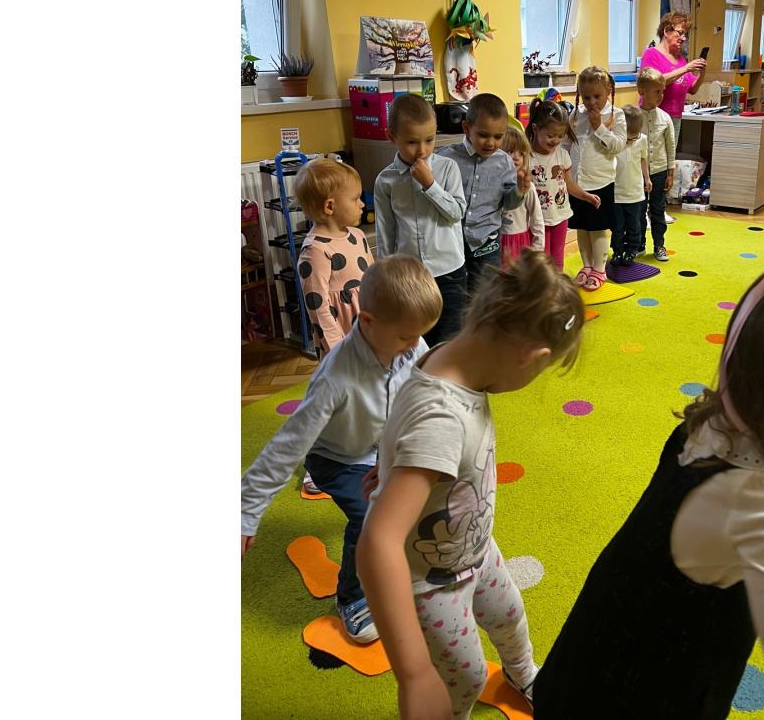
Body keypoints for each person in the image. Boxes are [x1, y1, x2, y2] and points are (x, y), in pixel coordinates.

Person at [533, 263, 764, 719]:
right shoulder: (763, 499)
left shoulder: (711, 427)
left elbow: (726, 529)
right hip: (643, 701)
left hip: (584, 667)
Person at [356, 250, 585, 718]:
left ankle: (524, 674)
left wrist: (399, 462)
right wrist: (413, 674)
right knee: (465, 678)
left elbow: (409, 413)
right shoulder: (442, 418)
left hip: (473, 545)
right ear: (533, 357)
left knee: (509, 615)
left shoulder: (445, 354)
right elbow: (377, 543)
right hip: (429, 583)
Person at [240, 255, 441, 644]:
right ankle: (351, 596)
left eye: (420, 335)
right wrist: (245, 512)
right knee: (370, 515)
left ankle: (396, 558)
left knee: (425, 493)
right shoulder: (335, 377)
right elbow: (286, 446)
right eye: (407, 337)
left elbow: (430, 387)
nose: (416, 345)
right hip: (337, 458)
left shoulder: (408, 344)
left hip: (382, 445)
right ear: (368, 322)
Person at [290, 156, 371, 494]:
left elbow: (373, 279)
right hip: (341, 343)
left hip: (368, 334)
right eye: (355, 199)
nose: (362, 204)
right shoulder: (315, 251)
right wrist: (338, 350)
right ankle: (318, 465)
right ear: (329, 206)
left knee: (365, 397)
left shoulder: (357, 235)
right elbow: (317, 306)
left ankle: (362, 447)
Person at [374, 93, 467, 346]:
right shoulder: (385, 181)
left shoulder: (447, 168)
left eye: (429, 140)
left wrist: (430, 185)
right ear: (391, 137)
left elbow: (457, 212)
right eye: (412, 142)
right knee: (415, 343)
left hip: (449, 272)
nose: (422, 150)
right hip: (410, 278)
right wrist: (385, 278)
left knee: (449, 342)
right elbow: (385, 233)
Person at [438, 93, 532, 293]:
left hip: (487, 241)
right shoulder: (446, 158)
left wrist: (519, 190)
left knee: (487, 294)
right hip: (452, 241)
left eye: (498, 137)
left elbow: (508, 203)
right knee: (455, 293)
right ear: (466, 129)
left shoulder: (504, 162)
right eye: (483, 135)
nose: (490, 143)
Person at [568, 66, 626, 291]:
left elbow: (617, 146)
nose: (591, 102)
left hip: (600, 182)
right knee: (581, 227)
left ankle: (600, 268)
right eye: (586, 97)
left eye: (597, 96)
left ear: (608, 91)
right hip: (576, 183)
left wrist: (598, 127)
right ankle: (587, 265)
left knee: (597, 228)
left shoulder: (616, 115)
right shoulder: (575, 115)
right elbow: (566, 143)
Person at [526, 98, 594, 272]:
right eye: (550, 136)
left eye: (560, 136)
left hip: (560, 216)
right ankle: (543, 286)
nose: (555, 140)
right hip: (537, 219)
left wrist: (586, 196)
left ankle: (557, 286)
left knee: (557, 257)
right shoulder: (526, 157)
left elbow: (569, 184)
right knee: (542, 258)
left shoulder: (562, 155)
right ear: (535, 128)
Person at [638, 10, 707, 165]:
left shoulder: (680, 59)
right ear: (666, 31)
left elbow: (693, 89)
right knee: (651, 161)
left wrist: (702, 72)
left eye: (685, 35)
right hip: (653, 116)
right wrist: (685, 69)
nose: (683, 38)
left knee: (668, 160)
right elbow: (655, 82)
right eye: (680, 33)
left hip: (675, 118)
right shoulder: (651, 54)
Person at [637, 66, 676, 262]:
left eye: (663, 91)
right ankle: (639, 244)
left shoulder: (665, 118)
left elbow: (670, 146)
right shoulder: (632, 117)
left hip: (659, 172)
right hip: (637, 173)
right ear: (642, 92)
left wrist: (670, 173)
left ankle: (659, 244)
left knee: (658, 210)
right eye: (657, 91)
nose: (661, 95)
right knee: (638, 210)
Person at [499, 125, 545, 268]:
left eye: (521, 153)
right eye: (511, 151)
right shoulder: (494, 181)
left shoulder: (527, 186)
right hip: (496, 240)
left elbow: (537, 218)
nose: (516, 158)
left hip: (519, 242)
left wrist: (537, 249)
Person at [610, 105, 650, 267]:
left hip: (635, 193)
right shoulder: (614, 141)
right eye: (627, 138)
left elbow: (643, 159)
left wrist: (647, 179)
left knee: (634, 225)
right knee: (617, 227)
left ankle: (632, 250)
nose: (629, 141)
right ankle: (617, 251)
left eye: (633, 139)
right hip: (616, 194)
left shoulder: (642, 140)